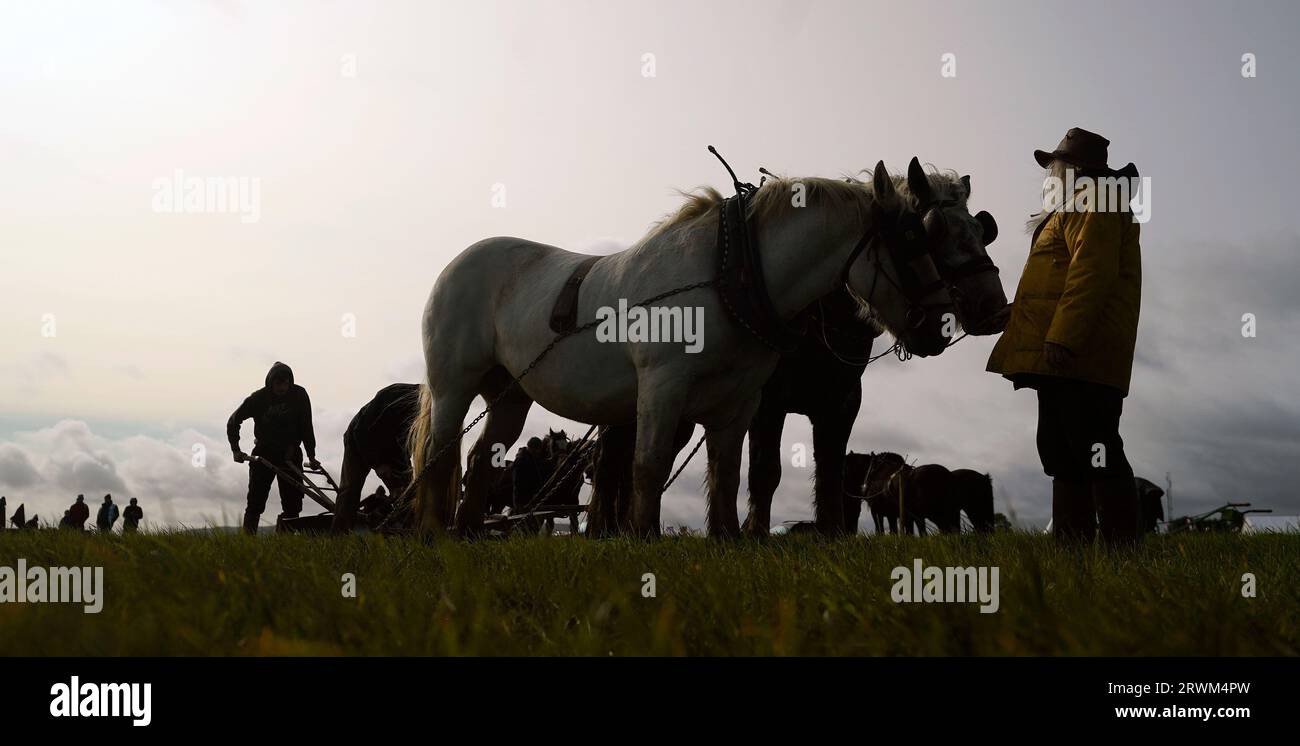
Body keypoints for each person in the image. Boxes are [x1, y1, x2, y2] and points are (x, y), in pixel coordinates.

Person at [986, 127, 1142, 545]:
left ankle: (1122, 552)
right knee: (1061, 451)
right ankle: (1071, 550)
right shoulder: (1077, 205)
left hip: (1081, 354)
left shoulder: (1099, 202)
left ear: (1072, 168)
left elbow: (1092, 273)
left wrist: (1064, 337)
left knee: (1094, 447)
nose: (1049, 174)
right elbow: (1056, 281)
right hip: (1062, 355)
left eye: (1054, 166)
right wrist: (1016, 315)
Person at [228, 361, 319, 535]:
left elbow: (306, 425)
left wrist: (311, 455)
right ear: (271, 382)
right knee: (256, 501)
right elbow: (233, 421)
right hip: (264, 453)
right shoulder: (258, 398)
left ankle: (284, 540)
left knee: (293, 504)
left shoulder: (299, 395)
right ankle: (248, 540)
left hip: (290, 454)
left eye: (285, 383)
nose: (282, 388)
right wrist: (235, 450)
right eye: (278, 383)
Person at [331, 383, 419, 532]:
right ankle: (338, 535)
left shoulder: (429, 415)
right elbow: (361, 430)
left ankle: (407, 532)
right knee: (350, 489)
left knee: (408, 489)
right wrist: (378, 464)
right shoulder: (395, 396)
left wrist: (404, 475)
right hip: (358, 439)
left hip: (392, 447)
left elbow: (406, 446)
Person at [511, 437, 547, 510]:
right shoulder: (521, 460)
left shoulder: (534, 459)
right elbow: (518, 482)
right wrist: (531, 494)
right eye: (537, 449)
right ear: (531, 448)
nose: (538, 452)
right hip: (522, 500)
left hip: (533, 497)